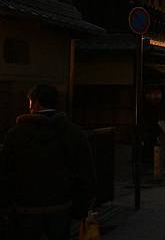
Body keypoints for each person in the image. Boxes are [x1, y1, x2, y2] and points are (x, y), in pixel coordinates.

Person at [0, 84, 96, 240]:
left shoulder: (16, 134)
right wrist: (83, 204)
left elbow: (5, 170)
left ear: (36, 103)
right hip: (61, 205)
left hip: (24, 207)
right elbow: (85, 170)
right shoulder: (73, 132)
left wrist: (6, 203)